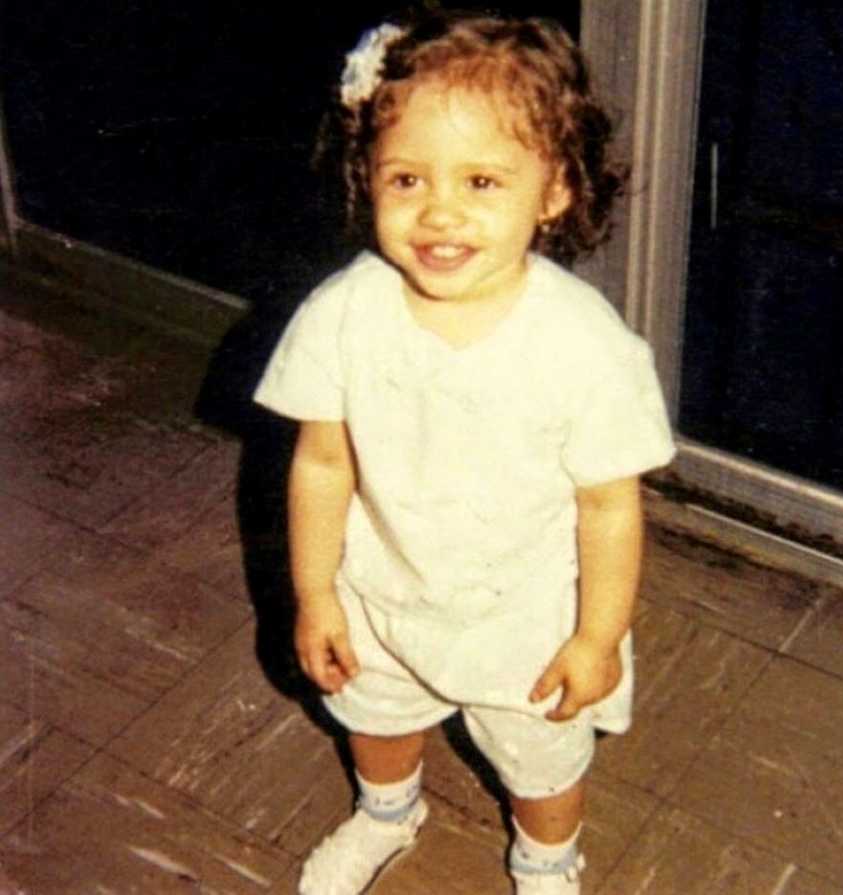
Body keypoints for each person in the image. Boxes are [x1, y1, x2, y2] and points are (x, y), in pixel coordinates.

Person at [254, 10, 675, 894]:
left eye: (483, 181)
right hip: (384, 587)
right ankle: (387, 808)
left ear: (553, 191)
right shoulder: (343, 314)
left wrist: (599, 637)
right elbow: (323, 463)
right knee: (374, 716)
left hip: (524, 616)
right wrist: (316, 590)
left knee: (543, 767)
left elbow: (608, 504)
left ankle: (549, 860)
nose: (439, 211)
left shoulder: (584, 347)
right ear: (367, 179)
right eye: (407, 177)